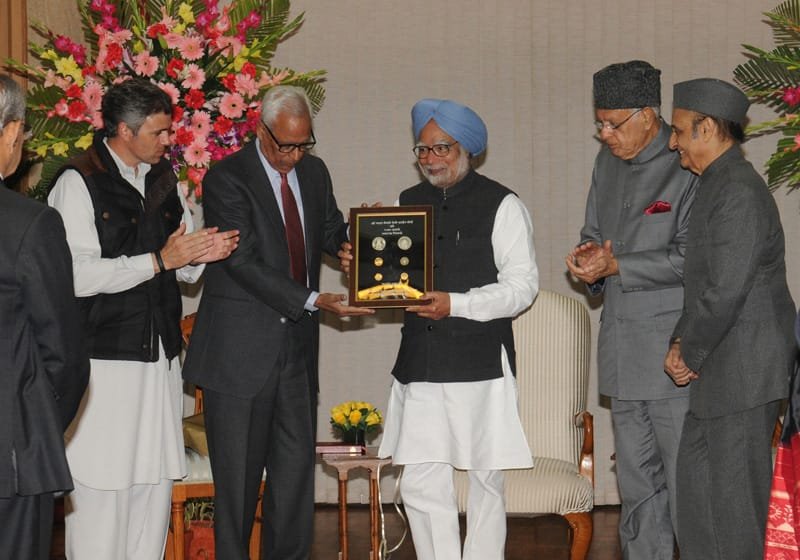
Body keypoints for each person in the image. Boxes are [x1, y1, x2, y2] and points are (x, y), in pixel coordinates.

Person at [48, 77, 239, 559]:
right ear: (124, 131)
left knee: (151, 494)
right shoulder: (78, 182)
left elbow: (183, 268)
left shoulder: (163, 180)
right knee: (100, 495)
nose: (169, 140)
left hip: (158, 363)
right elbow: (74, 277)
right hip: (103, 364)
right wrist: (159, 261)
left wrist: (201, 254)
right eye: (159, 132)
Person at [341, 98, 538, 560]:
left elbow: (522, 287)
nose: (430, 159)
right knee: (421, 478)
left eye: (441, 148)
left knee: (485, 478)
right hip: (421, 361)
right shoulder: (404, 205)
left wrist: (459, 304)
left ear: (467, 149)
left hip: (480, 361)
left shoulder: (502, 203)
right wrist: (360, 257)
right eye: (422, 149)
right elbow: (385, 281)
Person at [181, 85, 371, 560]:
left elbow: (327, 228)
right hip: (240, 356)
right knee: (239, 495)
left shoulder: (314, 171)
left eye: (303, 144)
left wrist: (356, 242)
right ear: (259, 129)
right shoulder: (227, 178)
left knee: (293, 486)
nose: (292, 156)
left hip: (297, 352)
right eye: (283, 144)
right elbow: (240, 261)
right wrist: (312, 298)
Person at [565, 60, 698, 559]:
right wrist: (588, 260)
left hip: (674, 357)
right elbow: (593, 233)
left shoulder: (685, 161)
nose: (605, 134)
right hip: (622, 351)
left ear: (648, 115)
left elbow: (693, 258)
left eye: (613, 123)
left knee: (686, 487)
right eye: (599, 123)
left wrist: (616, 263)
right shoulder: (607, 163)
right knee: (638, 491)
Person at [664, 78, 796, 560]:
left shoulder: (738, 190)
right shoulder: (715, 185)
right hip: (718, 369)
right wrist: (681, 342)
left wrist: (688, 351)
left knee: (736, 511)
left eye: (679, 131)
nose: (673, 141)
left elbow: (725, 289)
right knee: (699, 502)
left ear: (707, 127)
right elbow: (701, 285)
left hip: (743, 371)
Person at [0, 74, 88, 560]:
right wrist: (37, 428)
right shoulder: (30, 224)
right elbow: (67, 356)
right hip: (12, 459)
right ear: (12, 132)